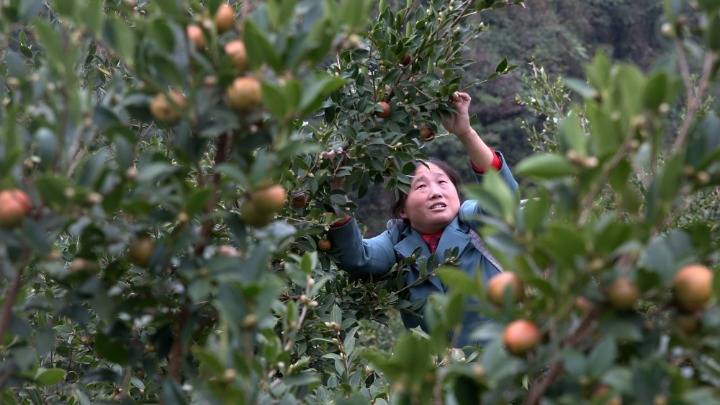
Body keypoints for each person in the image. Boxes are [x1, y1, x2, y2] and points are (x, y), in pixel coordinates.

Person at [328, 92, 519, 347]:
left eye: (442, 182)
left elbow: (502, 198)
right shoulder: (398, 241)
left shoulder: (472, 220)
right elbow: (358, 258)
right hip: (446, 377)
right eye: (420, 187)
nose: (436, 191)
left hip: (509, 358)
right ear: (403, 210)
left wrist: (465, 133)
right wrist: (334, 188)